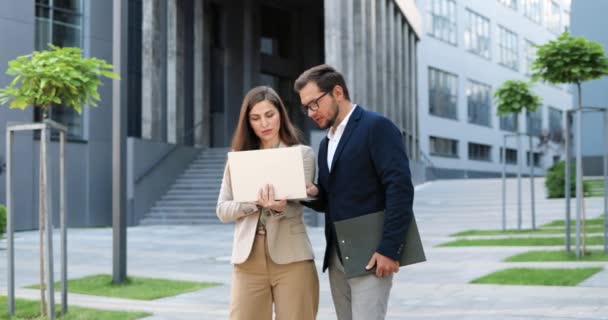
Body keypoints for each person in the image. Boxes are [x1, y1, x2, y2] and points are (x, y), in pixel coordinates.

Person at [294, 64, 416, 320]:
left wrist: (390, 249)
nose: (310, 112)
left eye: (314, 103)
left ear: (337, 92)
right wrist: (314, 192)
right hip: (338, 256)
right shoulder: (327, 143)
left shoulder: (376, 127)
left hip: (372, 254)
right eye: (306, 107)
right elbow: (332, 197)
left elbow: (400, 189)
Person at [216, 86, 319, 320]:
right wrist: (253, 202)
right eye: (256, 118)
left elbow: (304, 198)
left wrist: (281, 206)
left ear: (280, 114)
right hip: (247, 261)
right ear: (248, 122)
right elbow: (222, 209)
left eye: (269, 115)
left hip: (292, 258)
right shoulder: (238, 159)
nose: (264, 123)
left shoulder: (302, 154)